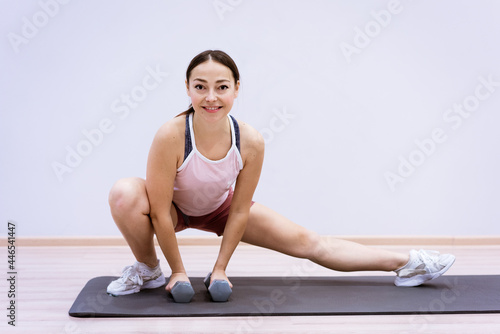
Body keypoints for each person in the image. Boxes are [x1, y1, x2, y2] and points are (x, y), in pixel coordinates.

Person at [106, 50, 455, 299]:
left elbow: (239, 211)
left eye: (222, 87)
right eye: (200, 87)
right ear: (187, 88)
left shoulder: (251, 141)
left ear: (237, 88)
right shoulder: (171, 134)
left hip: (220, 209)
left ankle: (408, 263)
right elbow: (158, 208)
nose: (211, 97)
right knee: (125, 192)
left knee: (310, 243)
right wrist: (179, 272)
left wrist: (220, 269)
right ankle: (148, 269)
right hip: (171, 210)